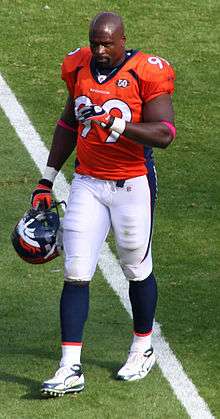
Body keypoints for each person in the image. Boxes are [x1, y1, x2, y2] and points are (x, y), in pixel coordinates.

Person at [31, 11, 176, 396]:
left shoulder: (147, 71)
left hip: (133, 184)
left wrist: (114, 124)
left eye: (106, 43)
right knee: (76, 270)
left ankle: (143, 346)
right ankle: (69, 367)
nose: (99, 50)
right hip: (88, 182)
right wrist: (46, 180)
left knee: (135, 265)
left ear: (122, 40)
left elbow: (164, 133)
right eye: (95, 41)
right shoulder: (78, 65)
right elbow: (67, 123)